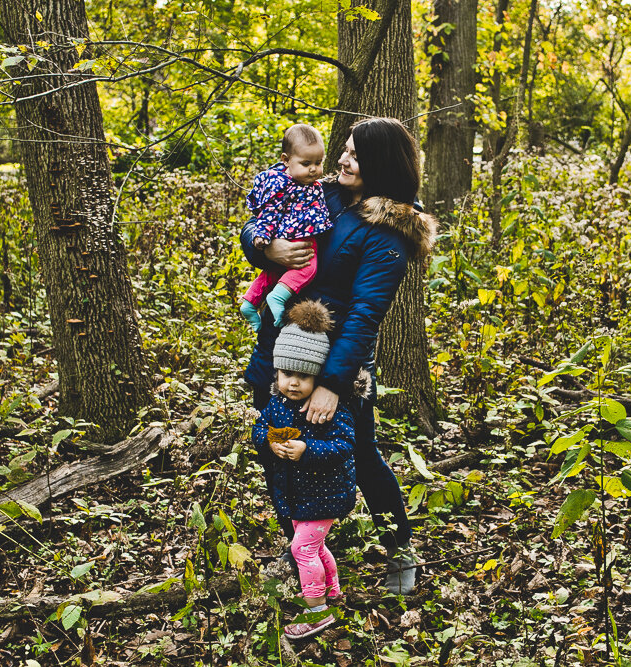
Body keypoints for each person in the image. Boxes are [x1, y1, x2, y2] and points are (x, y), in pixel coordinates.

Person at [242, 117, 436, 595]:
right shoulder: (318, 191)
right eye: (344, 150)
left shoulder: (388, 232)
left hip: (335, 367)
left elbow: (365, 317)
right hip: (280, 351)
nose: (343, 160)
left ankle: (400, 549)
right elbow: (257, 219)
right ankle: (304, 552)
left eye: (355, 154)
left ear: (381, 165)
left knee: (362, 456)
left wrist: (331, 384)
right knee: (277, 448)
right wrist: (267, 245)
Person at [252, 300, 358, 639]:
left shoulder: (331, 410)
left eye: (304, 376)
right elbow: (259, 428)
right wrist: (268, 442)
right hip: (296, 494)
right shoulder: (276, 403)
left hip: (326, 493)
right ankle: (333, 591)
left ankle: (317, 613)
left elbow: (344, 446)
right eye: (287, 374)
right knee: (317, 547)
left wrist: (308, 450)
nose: (294, 383)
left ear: (319, 376)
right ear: (277, 372)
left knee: (302, 549)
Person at [240, 124, 333, 331]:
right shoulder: (282, 185)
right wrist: (262, 238)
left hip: (291, 235)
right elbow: (268, 213)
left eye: (319, 162)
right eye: (306, 163)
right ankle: (277, 297)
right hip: (298, 236)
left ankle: (249, 302)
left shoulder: (310, 184)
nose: (313, 169)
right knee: (308, 267)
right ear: (285, 160)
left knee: (273, 273)